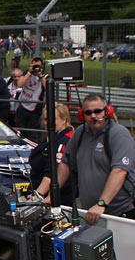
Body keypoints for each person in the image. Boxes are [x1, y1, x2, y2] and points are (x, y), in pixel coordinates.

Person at [54, 94, 135, 224]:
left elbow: (119, 171)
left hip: (119, 213)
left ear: (107, 111)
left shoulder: (119, 135)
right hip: (91, 212)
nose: (93, 116)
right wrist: (52, 193)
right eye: (88, 112)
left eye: (97, 111)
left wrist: (102, 203)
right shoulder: (80, 133)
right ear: (82, 115)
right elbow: (66, 163)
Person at [29, 103, 74, 204]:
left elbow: (52, 173)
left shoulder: (64, 142)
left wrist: (37, 196)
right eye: (45, 119)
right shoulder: (50, 138)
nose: (48, 123)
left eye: (53, 119)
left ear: (64, 120)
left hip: (56, 198)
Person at [16, 57, 46, 142]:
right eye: (34, 65)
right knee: (21, 130)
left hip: (35, 108)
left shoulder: (44, 76)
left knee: (34, 133)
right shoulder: (27, 73)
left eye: (38, 66)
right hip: (23, 105)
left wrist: (40, 75)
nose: (36, 68)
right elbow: (19, 84)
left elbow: (47, 87)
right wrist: (29, 73)